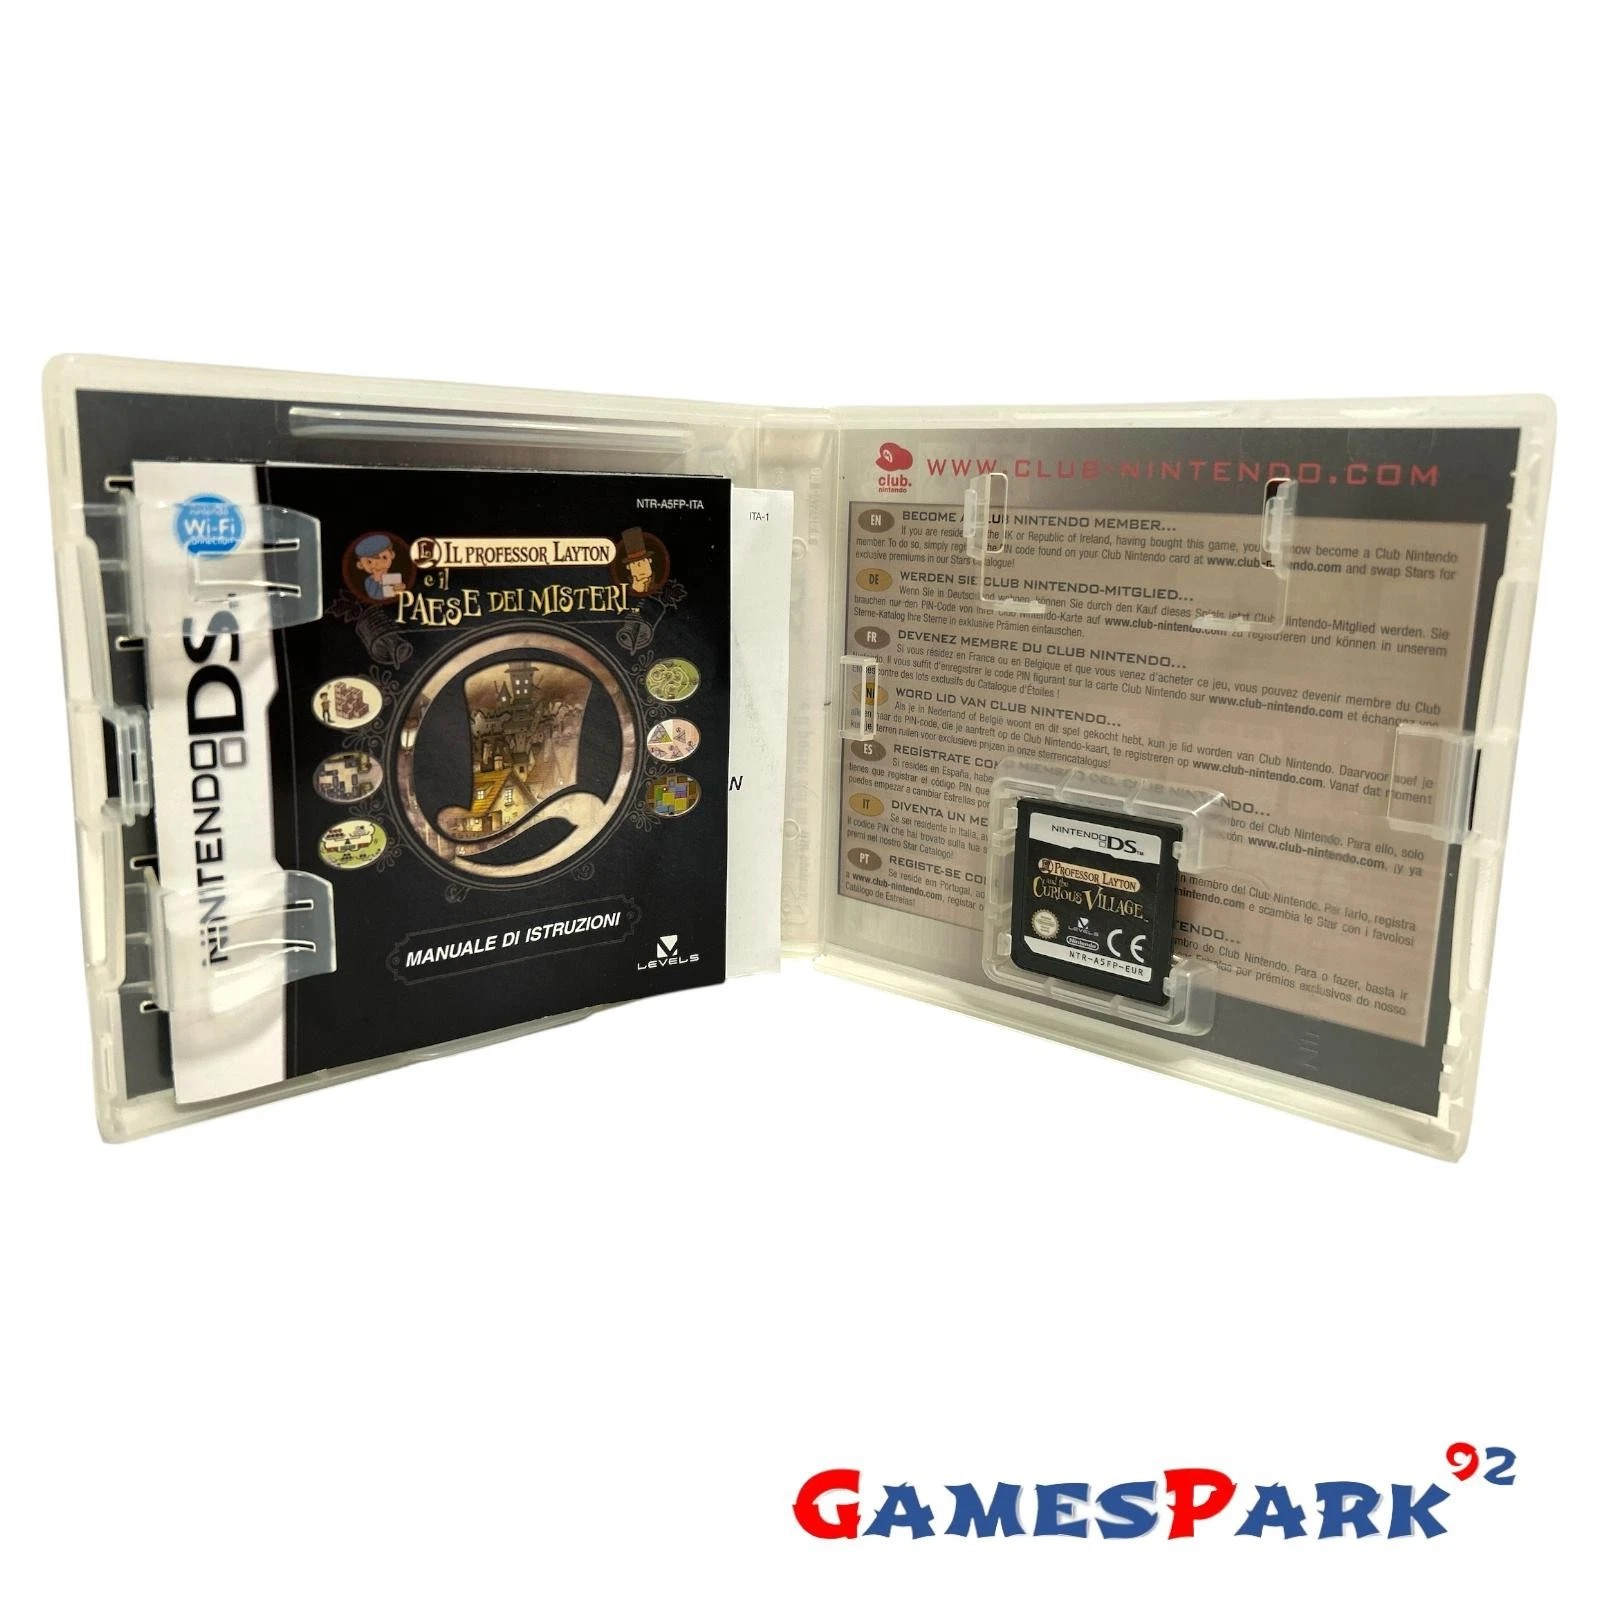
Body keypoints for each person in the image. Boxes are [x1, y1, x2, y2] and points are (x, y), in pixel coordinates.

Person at [354, 533, 406, 600]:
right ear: (360, 565)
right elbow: (374, 596)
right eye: (369, 562)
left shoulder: (392, 577)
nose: (377, 564)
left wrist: (401, 588)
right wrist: (393, 590)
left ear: (392, 555)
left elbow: (399, 592)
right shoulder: (369, 581)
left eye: (384, 557)